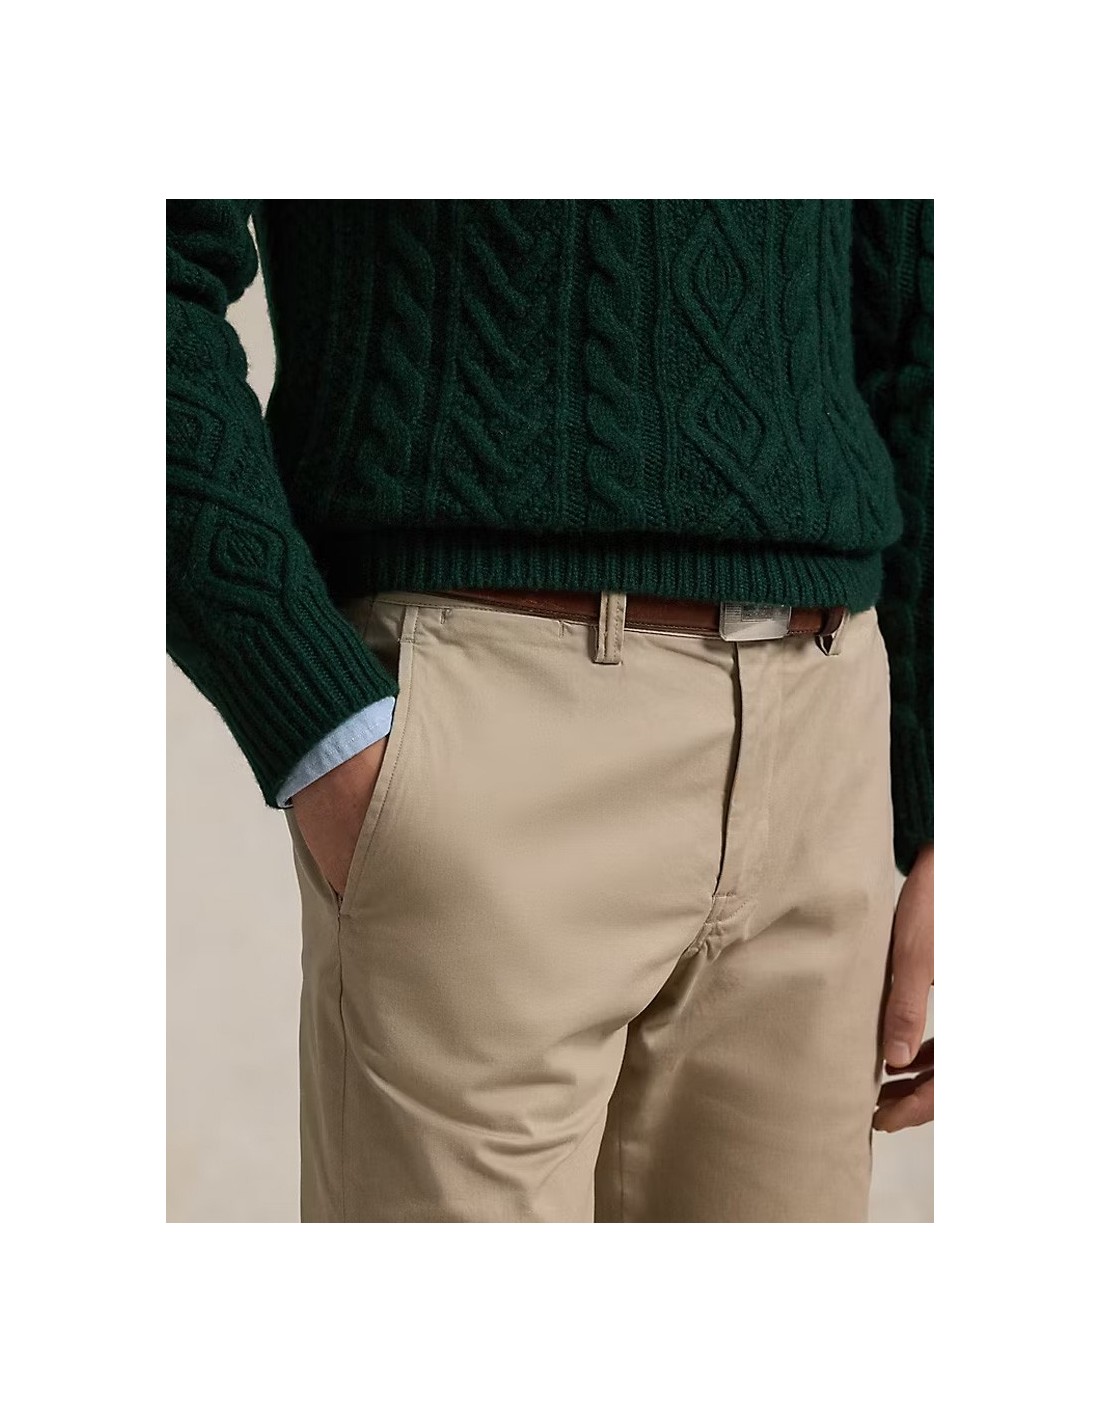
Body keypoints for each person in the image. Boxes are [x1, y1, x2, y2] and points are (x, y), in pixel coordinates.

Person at [167, 198, 933, 1223]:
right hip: (485, 733)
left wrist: (941, 793)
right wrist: (320, 728)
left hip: (828, 739)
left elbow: (920, 300)